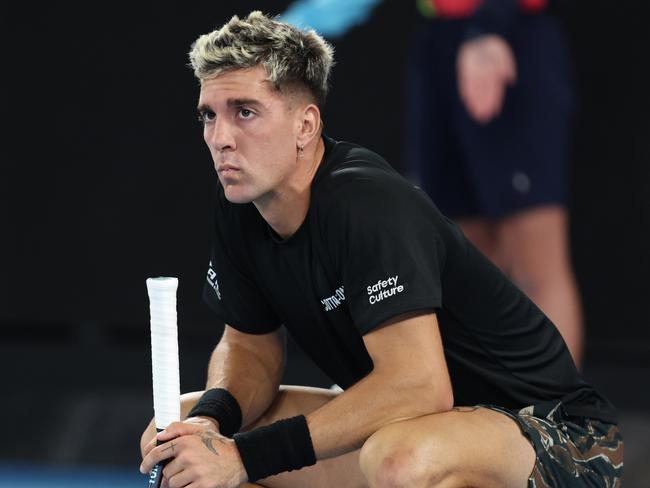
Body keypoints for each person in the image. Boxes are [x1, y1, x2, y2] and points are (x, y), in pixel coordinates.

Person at [139, 11, 623, 488]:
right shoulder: (242, 204)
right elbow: (249, 349)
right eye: (209, 116)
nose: (220, 139)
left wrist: (243, 457)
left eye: (244, 112)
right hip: (423, 427)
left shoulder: (367, 204)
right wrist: (210, 423)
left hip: (557, 439)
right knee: (181, 436)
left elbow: (419, 386)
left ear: (306, 126)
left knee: (399, 460)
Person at [282, 0, 586, 368]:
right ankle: (488, 405)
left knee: (536, 263)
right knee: (465, 259)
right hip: (440, 42)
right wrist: (292, 31)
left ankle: (563, 418)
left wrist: (491, 26)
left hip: (507, 33)